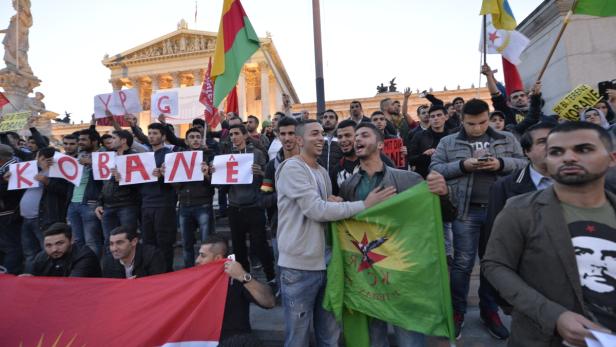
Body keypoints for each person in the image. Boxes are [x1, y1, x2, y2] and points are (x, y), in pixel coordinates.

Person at [483, 121, 616, 346]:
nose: (569, 157)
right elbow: (495, 265)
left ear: (612, 158)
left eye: (583, 149)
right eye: (556, 152)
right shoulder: (519, 210)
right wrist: (553, 315)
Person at [275, 119, 396, 347]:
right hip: (299, 268)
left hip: (326, 263)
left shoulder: (321, 171)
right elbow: (316, 209)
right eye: (314, 134)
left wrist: (335, 200)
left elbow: (325, 206)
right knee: (297, 339)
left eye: (322, 133)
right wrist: (364, 205)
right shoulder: (292, 167)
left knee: (329, 336)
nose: (321, 138)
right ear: (300, 140)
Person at [338, 122, 454, 347]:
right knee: (374, 339)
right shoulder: (348, 186)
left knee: (409, 339)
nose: (357, 140)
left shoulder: (408, 179)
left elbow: (444, 215)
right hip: (369, 276)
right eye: (355, 137)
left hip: (404, 273)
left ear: (380, 144)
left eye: (364, 135)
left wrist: (443, 194)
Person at [430, 98, 527, 339]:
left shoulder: (506, 138)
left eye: (482, 122)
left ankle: (489, 310)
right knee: (462, 265)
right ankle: (457, 311)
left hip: (500, 211)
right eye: (472, 123)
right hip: (465, 211)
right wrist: (464, 165)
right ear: (462, 120)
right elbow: (435, 169)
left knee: (492, 263)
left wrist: (501, 163)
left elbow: (525, 164)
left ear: (489, 116)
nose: (477, 128)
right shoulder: (448, 141)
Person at [481, 122, 555, 315]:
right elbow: (495, 247)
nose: (552, 146)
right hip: (529, 289)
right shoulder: (505, 188)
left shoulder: (584, 183)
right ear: (527, 152)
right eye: (542, 142)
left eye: (556, 140)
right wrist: (505, 295)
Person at [195, 234, 275, 343]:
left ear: (217, 258)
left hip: (234, 341)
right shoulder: (194, 281)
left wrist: (243, 276)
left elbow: (269, 302)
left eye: (202, 255)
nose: (197, 260)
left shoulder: (237, 278)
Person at [225, 124, 275, 283]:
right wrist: (213, 173)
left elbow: (268, 178)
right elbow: (221, 185)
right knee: (238, 247)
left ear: (245, 136)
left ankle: (271, 277)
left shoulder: (257, 154)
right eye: (231, 134)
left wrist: (260, 172)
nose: (233, 137)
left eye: (237, 133)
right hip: (235, 207)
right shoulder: (226, 156)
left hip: (254, 207)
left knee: (260, 245)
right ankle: (244, 281)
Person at [165, 127, 215, 268]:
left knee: (207, 244)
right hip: (184, 205)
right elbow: (174, 184)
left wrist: (206, 175)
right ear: (186, 141)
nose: (195, 139)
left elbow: (216, 184)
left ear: (201, 139)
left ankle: (207, 272)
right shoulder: (178, 159)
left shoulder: (210, 156)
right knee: (187, 244)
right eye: (192, 137)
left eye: (198, 137)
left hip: (204, 205)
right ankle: (189, 273)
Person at [260, 116, 299, 273]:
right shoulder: (271, 166)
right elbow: (264, 198)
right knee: (282, 271)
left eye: (291, 133)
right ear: (277, 135)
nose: (287, 138)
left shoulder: (312, 162)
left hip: (308, 229)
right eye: (283, 134)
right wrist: (284, 195)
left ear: (299, 135)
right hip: (280, 228)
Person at [138, 123, 177, 272]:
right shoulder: (144, 157)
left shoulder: (169, 155)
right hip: (146, 204)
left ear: (163, 136)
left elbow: (175, 181)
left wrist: (162, 176)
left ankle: (166, 272)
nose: (151, 136)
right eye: (150, 133)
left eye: (155, 133)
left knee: (164, 243)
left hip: (164, 204)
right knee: (148, 242)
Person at [95, 130, 140, 252]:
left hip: (127, 206)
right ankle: (112, 270)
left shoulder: (134, 156)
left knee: (128, 241)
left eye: (114, 138)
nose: (110, 141)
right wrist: (99, 203)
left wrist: (124, 178)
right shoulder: (109, 157)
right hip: (108, 207)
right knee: (109, 242)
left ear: (123, 141)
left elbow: (141, 184)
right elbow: (104, 183)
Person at [330, 119, 396, 195]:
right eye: (340, 137)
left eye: (348, 135)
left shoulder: (381, 160)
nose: (343, 140)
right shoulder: (336, 170)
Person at [67, 129, 103, 258]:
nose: (80, 142)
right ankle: (81, 268)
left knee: (92, 241)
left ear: (94, 142)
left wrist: (93, 163)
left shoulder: (103, 155)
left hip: (90, 204)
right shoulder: (78, 156)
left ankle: (93, 272)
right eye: (79, 140)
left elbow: (108, 174)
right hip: (73, 204)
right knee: (77, 241)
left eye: (83, 140)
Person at [29, 223, 101, 277]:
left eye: (59, 243)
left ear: (72, 240)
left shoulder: (85, 256)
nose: (54, 249)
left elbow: (71, 285)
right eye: (48, 245)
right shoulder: (41, 257)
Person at [102, 226, 166, 278]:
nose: (114, 248)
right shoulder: (108, 261)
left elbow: (158, 284)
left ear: (134, 242)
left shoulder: (153, 256)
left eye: (119, 243)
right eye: (111, 244)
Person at [408, 105, 452, 178]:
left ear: (446, 117)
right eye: (432, 116)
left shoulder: (452, 136)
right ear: (429, 119)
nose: (436, 118)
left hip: (449, 176)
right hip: (426, 178)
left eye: (439, 115)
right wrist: (424, 155)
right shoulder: (419, 136)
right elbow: (411, 160)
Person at [0, 144, 24, 274]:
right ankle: (7, 277)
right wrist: (4, 182)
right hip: (6, 214)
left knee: (11, 248)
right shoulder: (7, 170)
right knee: (13, 248)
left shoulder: (14, 169)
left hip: (9, 213)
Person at [318, 109, 343, 175]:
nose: (328, 119)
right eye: (325, 117)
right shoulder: (317, 138)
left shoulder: (342, 138)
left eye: (331, 117)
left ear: (336, 121)